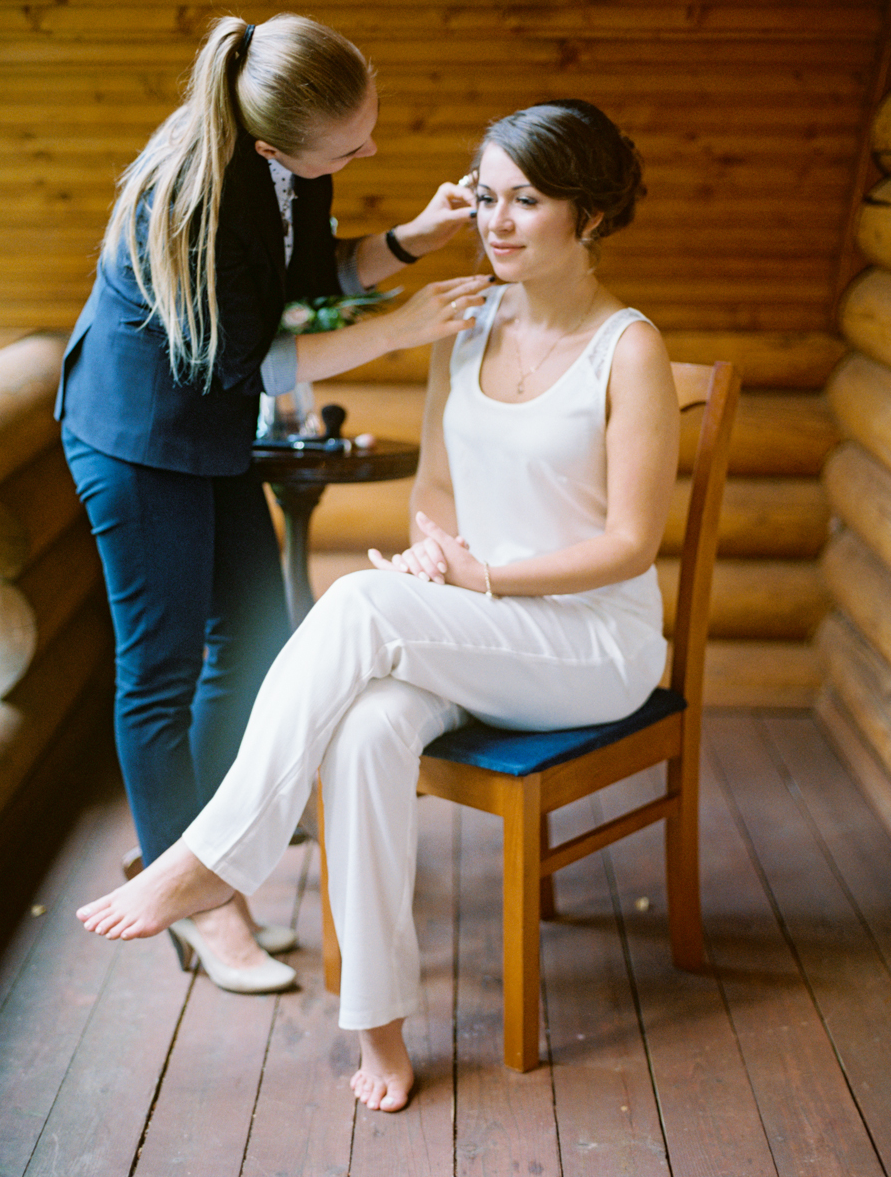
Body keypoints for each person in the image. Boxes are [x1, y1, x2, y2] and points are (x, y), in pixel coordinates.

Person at [76, 99, 680, 1109]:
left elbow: (630, 542)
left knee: (360, 604)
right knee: (361, 727)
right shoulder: (469, 321)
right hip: (479, 627)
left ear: (593, 216)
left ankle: (209, 857)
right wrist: (438, 554)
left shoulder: (631, 349)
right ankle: (381, 1028)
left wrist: (480, 578)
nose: (495, 221)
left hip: (590, 645)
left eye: (526, 200)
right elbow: (434, 491)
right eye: (486, 196)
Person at [57, 12, 489, 996]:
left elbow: (311, 278)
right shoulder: (197, 202)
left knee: (252, 638)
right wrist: (404, 328)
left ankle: (202, 856)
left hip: (207, 428)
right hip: (136, 438)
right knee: (159, 669)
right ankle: (201, 901)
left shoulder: (289, 164)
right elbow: (261, 360)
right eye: (352, 143)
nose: (369, 148)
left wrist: (414, 239)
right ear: (265, 144)